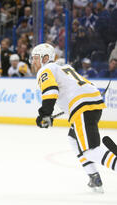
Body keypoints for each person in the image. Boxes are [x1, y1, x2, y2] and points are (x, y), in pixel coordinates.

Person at [31, 43, 117, 193]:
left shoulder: (45, 70)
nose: (33, 62)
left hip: (82, 108)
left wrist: (44, 114)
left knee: (91, 150)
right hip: (90, 105)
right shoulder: (64, 67)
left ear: (45, 58)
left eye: (36, 58)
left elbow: (51, 90)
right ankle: (93, 175)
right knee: (73, 138)